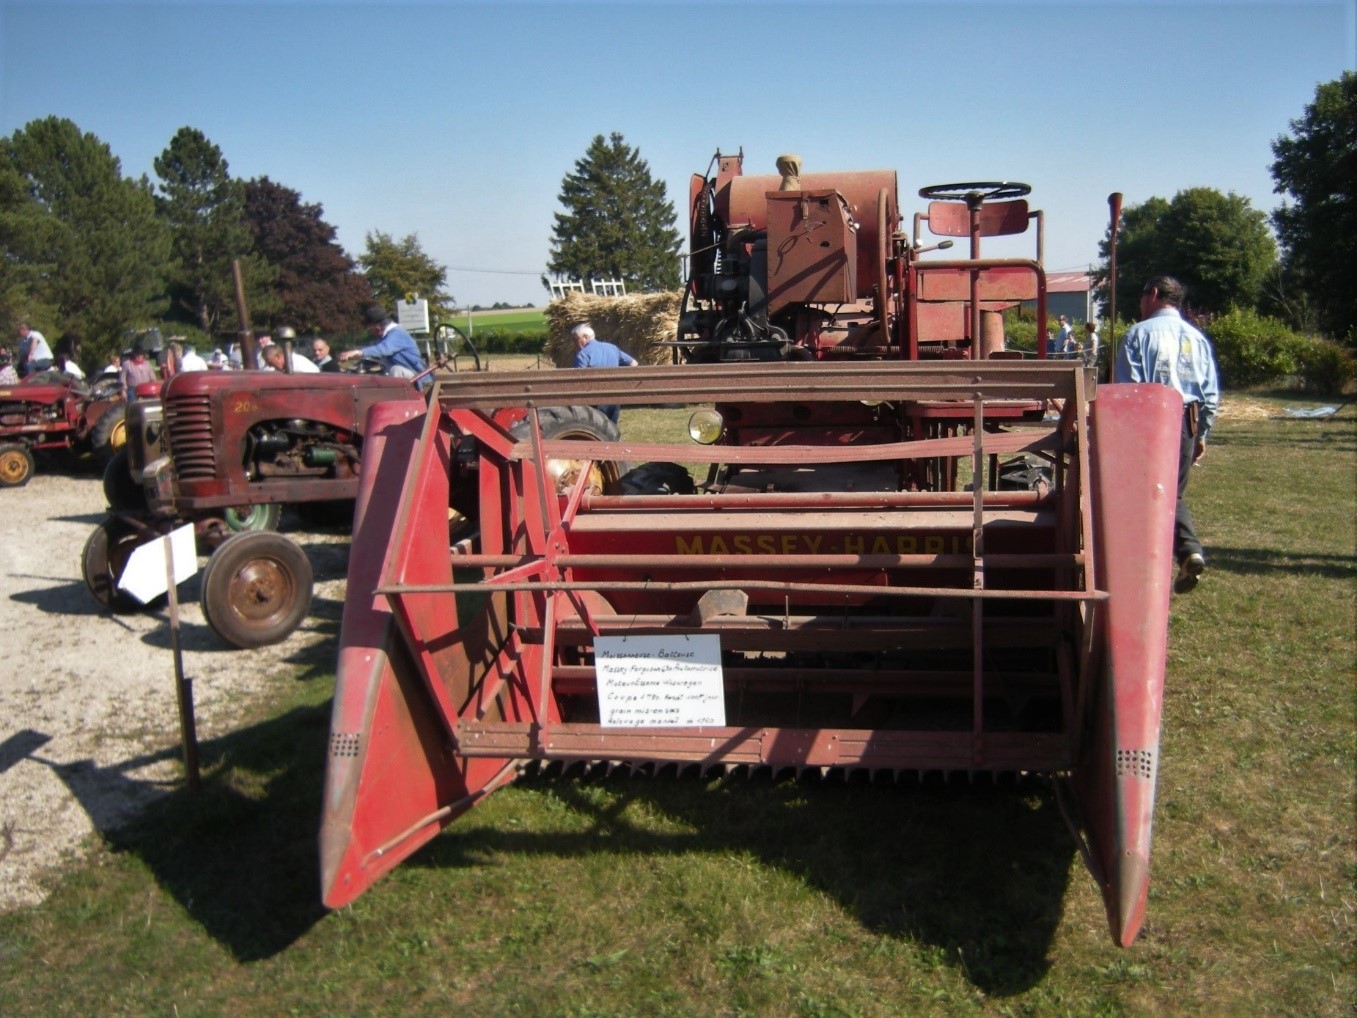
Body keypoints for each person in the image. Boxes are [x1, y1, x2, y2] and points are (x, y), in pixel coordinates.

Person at [1114, 275, 1220, 594]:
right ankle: (1188, 552)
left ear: (1154, 295)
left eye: (1142, 295)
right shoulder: (1196, 338)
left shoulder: (1137, 335)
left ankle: (1146, 566)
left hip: (1149, 424)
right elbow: (1210, 394)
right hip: (1187, 422)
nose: (1140, 302)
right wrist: (1202, 433)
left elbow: (1128, 391)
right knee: (1172, 494)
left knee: (1147, 496)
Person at [338, 306, 429, 388]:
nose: (370, 332)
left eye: (370, 328)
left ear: (378, 327)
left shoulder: (397, 333)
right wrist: (353, 368)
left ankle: (395, 402)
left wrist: (357, 352)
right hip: (408, 377)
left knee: (396, 370)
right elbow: (373, 355)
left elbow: (383, 349)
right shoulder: (384, 337)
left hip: (419, 377)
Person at [571, 322, 638, 425]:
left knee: (596, 429)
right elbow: (634, 363)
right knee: (612, 427)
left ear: (585, 338)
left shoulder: (583, 355)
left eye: (575, 339)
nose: (574, 343)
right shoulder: (612, 348)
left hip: (595, 398)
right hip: (615, 396)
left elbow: (577, 380)